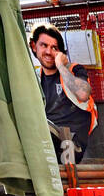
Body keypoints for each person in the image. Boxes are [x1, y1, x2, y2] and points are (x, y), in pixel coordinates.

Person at [29, 23, 97, 165]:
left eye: (54, 48)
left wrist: (60, 65)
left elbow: (83, 94)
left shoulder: (74, 70)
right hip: (45, 143)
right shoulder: (34, 77)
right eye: (44, 45)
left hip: (70, 146)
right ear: (34, 46)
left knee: (39, 128)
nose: (49, 52)